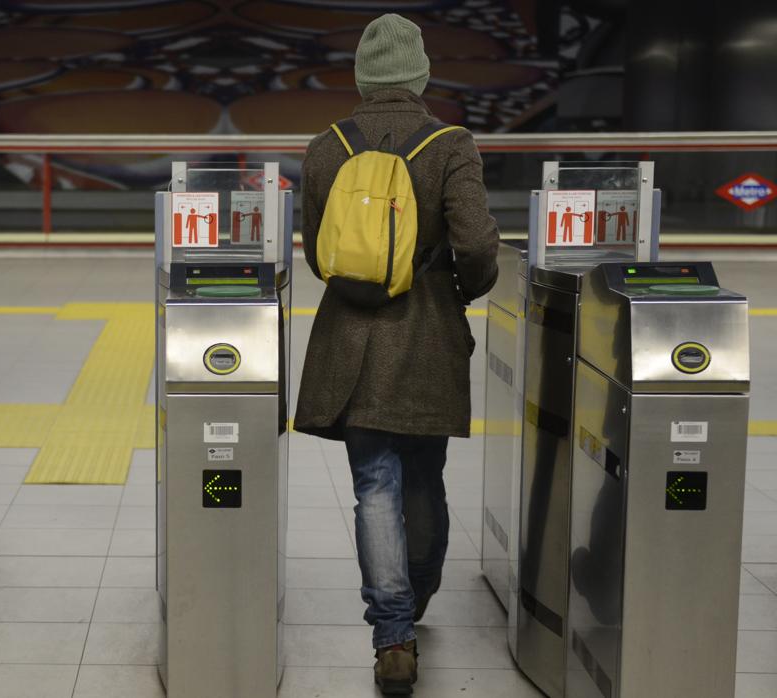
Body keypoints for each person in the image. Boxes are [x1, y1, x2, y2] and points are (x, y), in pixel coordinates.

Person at [294, 14, 499, 695]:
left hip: (349, 340)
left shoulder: (328, 146)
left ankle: (392, 635)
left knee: (372, 487)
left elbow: (317, 253)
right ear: (419, 76)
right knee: (423, 481)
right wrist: (462, 288)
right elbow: (475, 245)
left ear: (362, 78)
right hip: (427, 336)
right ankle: (416, 595)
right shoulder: (450, 143)